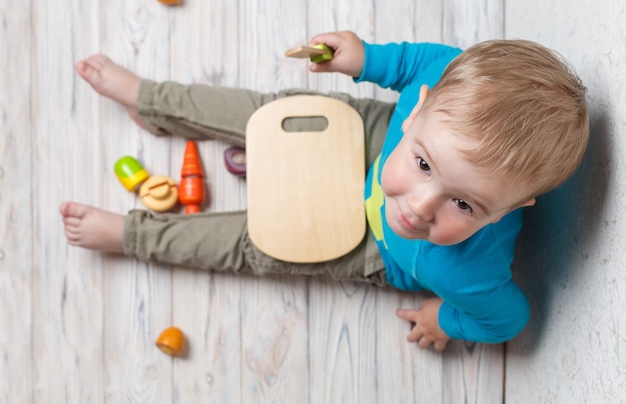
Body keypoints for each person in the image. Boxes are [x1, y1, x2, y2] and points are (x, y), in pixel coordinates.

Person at [60, 31, 589, 351]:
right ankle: (152, 101)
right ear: (422, 106)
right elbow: (414, 62)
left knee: (259, 244)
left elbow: (507, 320)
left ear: (512, 209)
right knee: (267, 112)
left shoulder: (464, 273)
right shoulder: (447, 75)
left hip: (374, 247)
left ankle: (135, 235)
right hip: (375, 140)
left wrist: (445, 319)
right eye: (425, 164)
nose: (421, 207)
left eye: (464, 204)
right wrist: (366, 60)